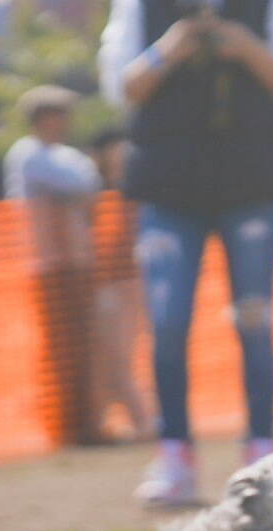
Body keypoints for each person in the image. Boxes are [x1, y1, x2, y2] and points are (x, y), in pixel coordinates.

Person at [100, 0, 273, 506]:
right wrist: (171, 48)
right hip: (168, 189)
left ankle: (263, 456)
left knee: (255, 321)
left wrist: (243, 45)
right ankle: (175, 455)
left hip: (254, 183)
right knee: (168, 324)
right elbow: (122, 88)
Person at [4, 86, 104, 444]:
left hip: (78, 260)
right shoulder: (28, 154)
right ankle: (66, 427)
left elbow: (88, 184)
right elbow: (77, 184)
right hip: (48, 264)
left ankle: (90, 423)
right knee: (59, 347)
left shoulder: (67, 155)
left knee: (85, 344)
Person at [88, 126, 155, 441]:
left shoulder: (133, 196)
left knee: (119, 357)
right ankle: (126, 420)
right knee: (112, 357)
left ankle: (145, 421)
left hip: (125, 282)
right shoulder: (98, 193)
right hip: (112, 282)